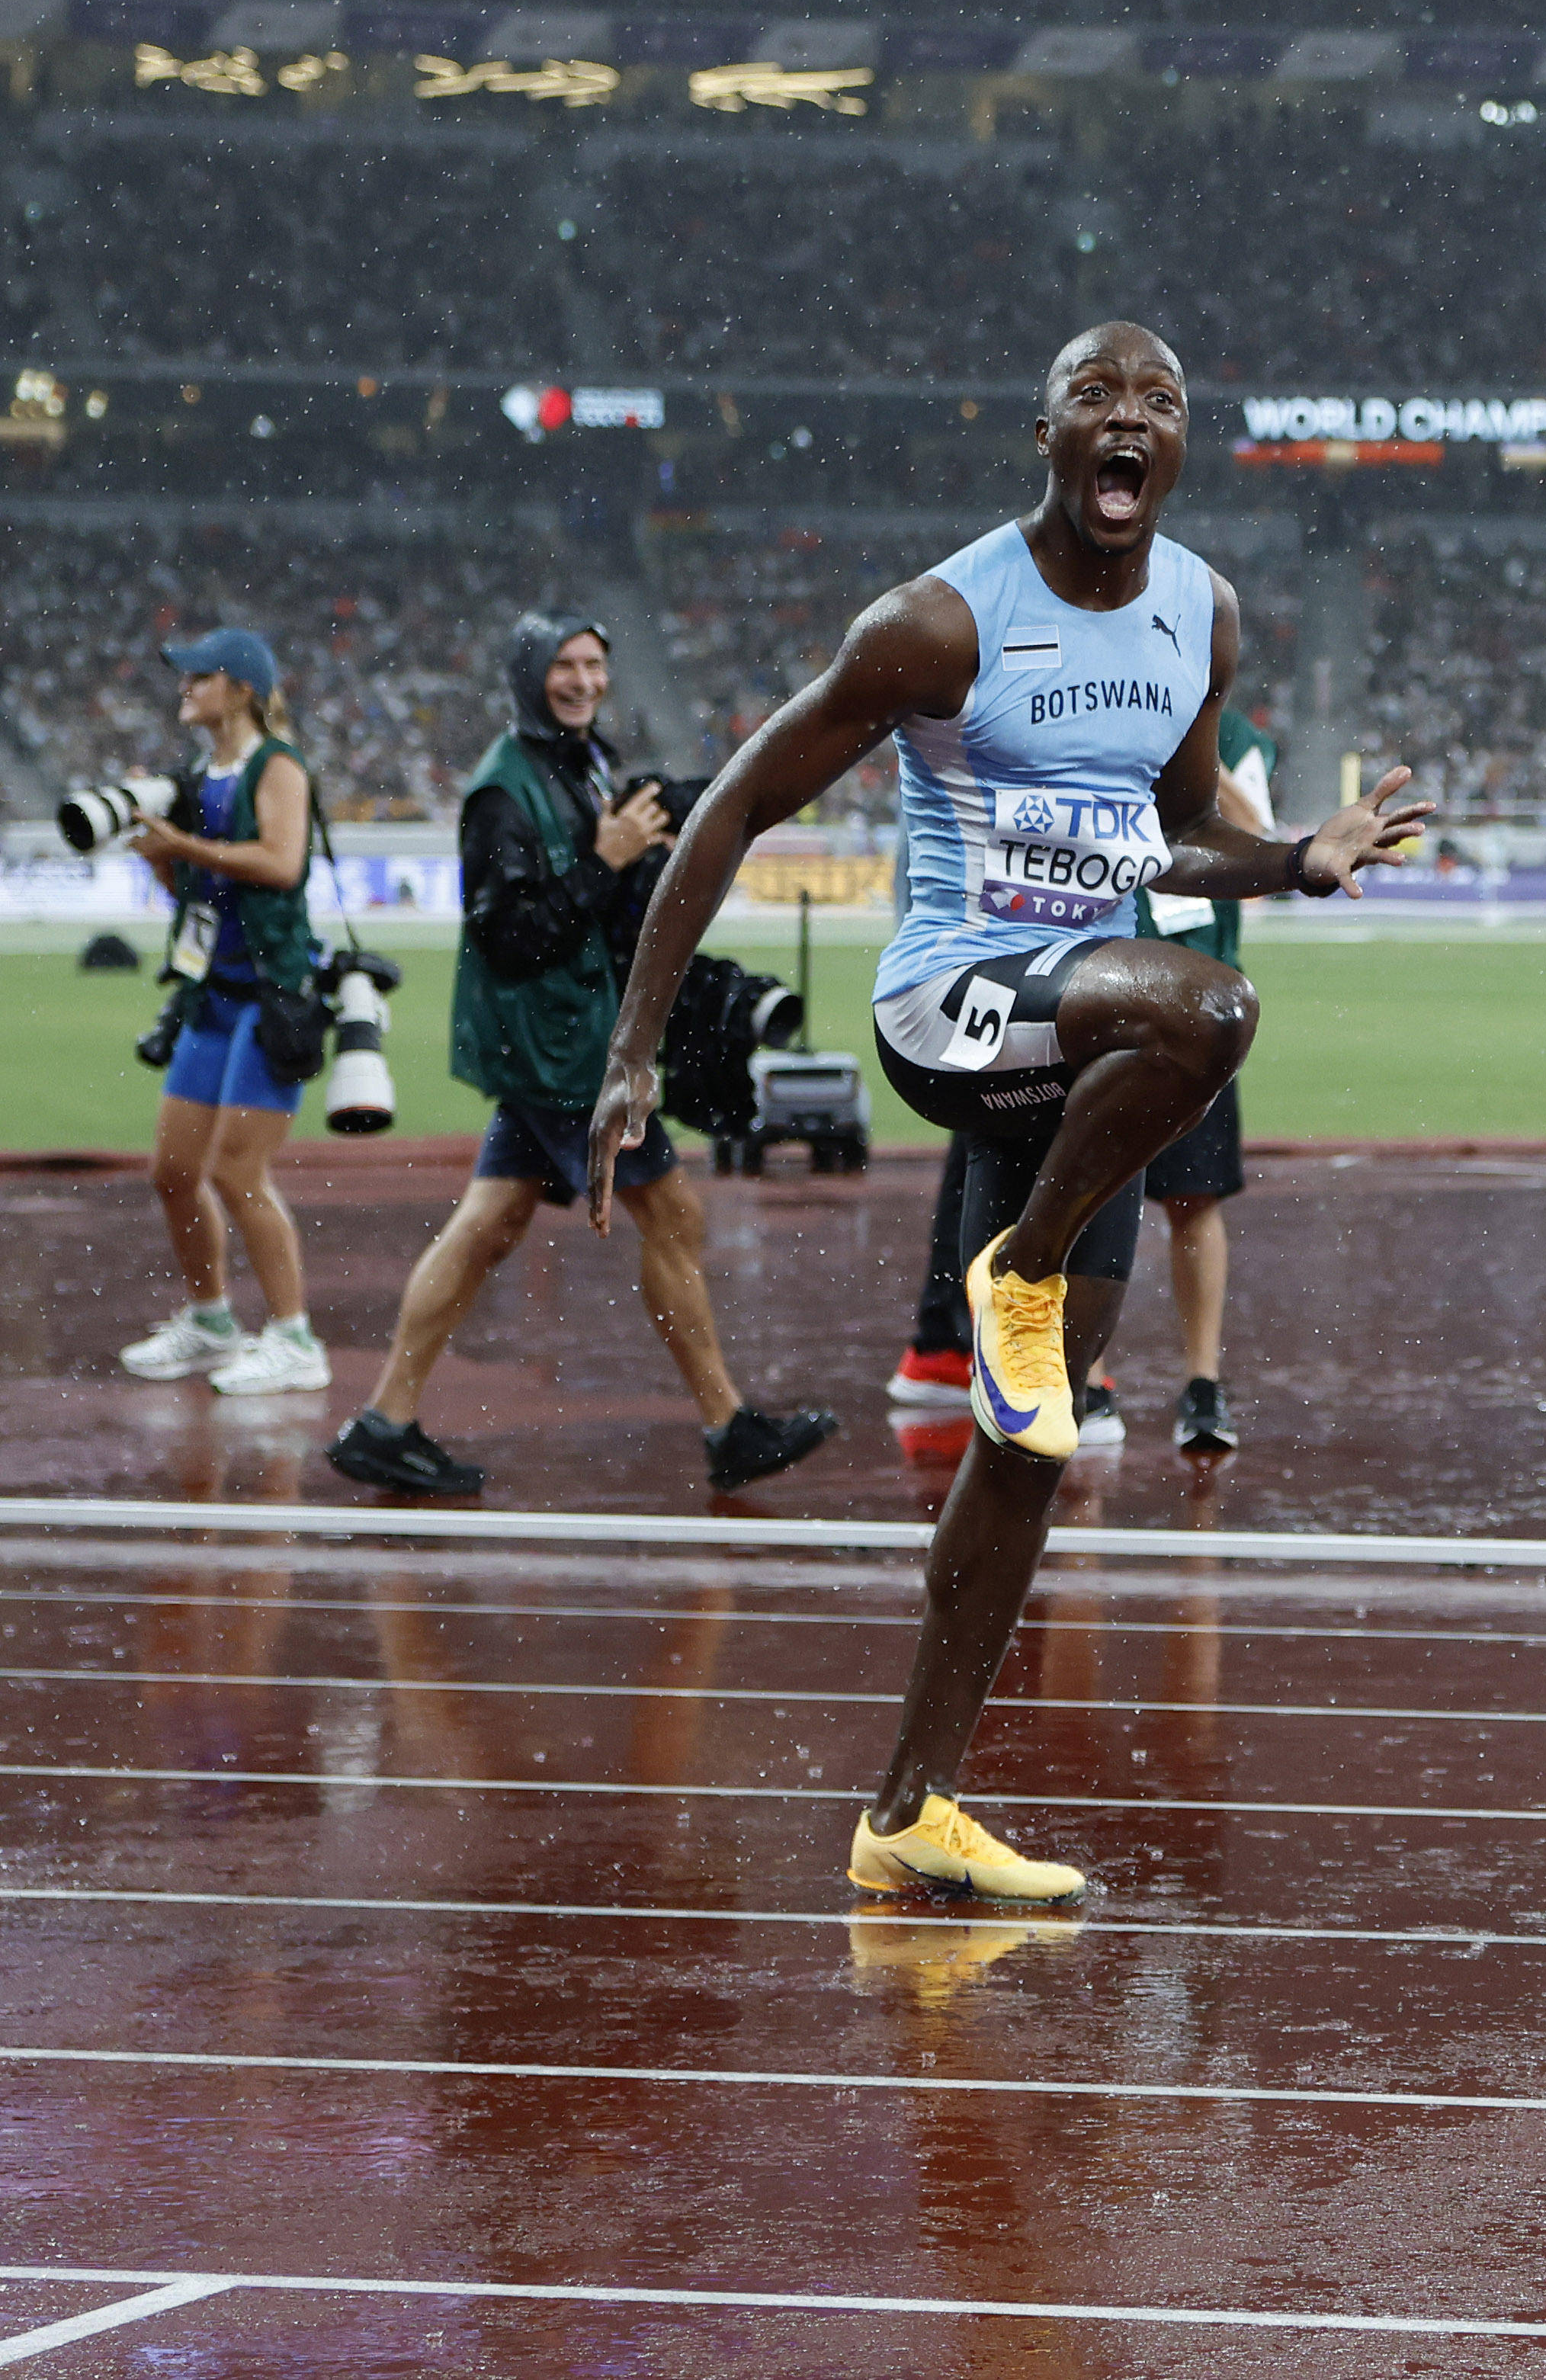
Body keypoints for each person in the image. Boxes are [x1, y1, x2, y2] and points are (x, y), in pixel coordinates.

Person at [587, 322, 1429, 1910]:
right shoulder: (942, 620)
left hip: (1081, 1056)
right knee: (1215, 1009)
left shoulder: (1202, 613)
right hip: (953, 1008)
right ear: (1042, 434)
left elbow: (1176, 833)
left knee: (1029, 1435)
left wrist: (1297, 856)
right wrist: (634, 1045)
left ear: (1185, 445)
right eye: (1095, 396)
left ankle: (910, 1805)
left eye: (1159, 399)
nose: (1128, 419)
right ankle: (1020, 1267)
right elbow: (739, 800)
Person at [322, 614, 837, 1500]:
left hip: (559, 1037)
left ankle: (384, 1422)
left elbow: (600, 880)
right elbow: (509, 934)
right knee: (671, 1214)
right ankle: (726, 1425)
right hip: (559, 1049)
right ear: (528, 675)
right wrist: (605, 862)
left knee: (489, 1224)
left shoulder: (581, 760)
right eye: (563, 665)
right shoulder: (500, 792)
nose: (582, 680)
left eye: (595, 663)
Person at [880, 694, 1275, 1455]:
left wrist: (1194, 756)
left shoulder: (1236, 738)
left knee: (1194, 1194)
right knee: (1084, 1181)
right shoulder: (1081, 720)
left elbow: (1252, 840)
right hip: (1088, 994)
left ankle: (1200, 1383)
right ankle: (1084, 1377)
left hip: (1192, 998)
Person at [109, 626, 330, 1398]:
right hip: (212, 993)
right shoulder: (201, 775)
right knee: (172, 1173)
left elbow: (280, 862)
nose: (184, 689)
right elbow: (206, 898)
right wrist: (168, 862)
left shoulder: (278, 766)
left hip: (271, 998)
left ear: (239, 687)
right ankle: (210, 1320)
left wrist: (187, 847)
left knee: (239, 1172)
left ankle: (295, 1336)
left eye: (198, 677)